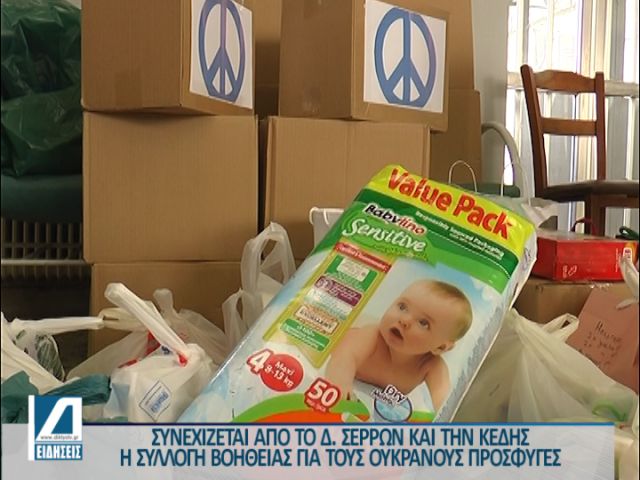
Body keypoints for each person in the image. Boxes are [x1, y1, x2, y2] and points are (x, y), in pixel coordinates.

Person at [324, 279, 473, 411]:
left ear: (440, 347)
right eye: (402, 307)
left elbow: (445, 400)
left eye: (423, 323)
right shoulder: (372, 336)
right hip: (342, 334)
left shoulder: (431, 366)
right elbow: (344, 357)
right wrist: (340, 386)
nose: (404, 320)